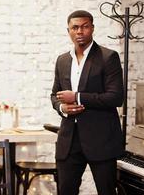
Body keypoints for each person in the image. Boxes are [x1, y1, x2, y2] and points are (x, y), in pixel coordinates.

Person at [51, 10, 124, 195]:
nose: (80, 31)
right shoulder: (62, 60)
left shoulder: (108, 57)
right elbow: (54, 95)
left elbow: (115, 97)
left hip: (101, 139)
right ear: (68, 31)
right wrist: (62, 107)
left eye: (84, 27)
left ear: (92, 28)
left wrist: (76, 97)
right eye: (75, 27)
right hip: (69, 141)